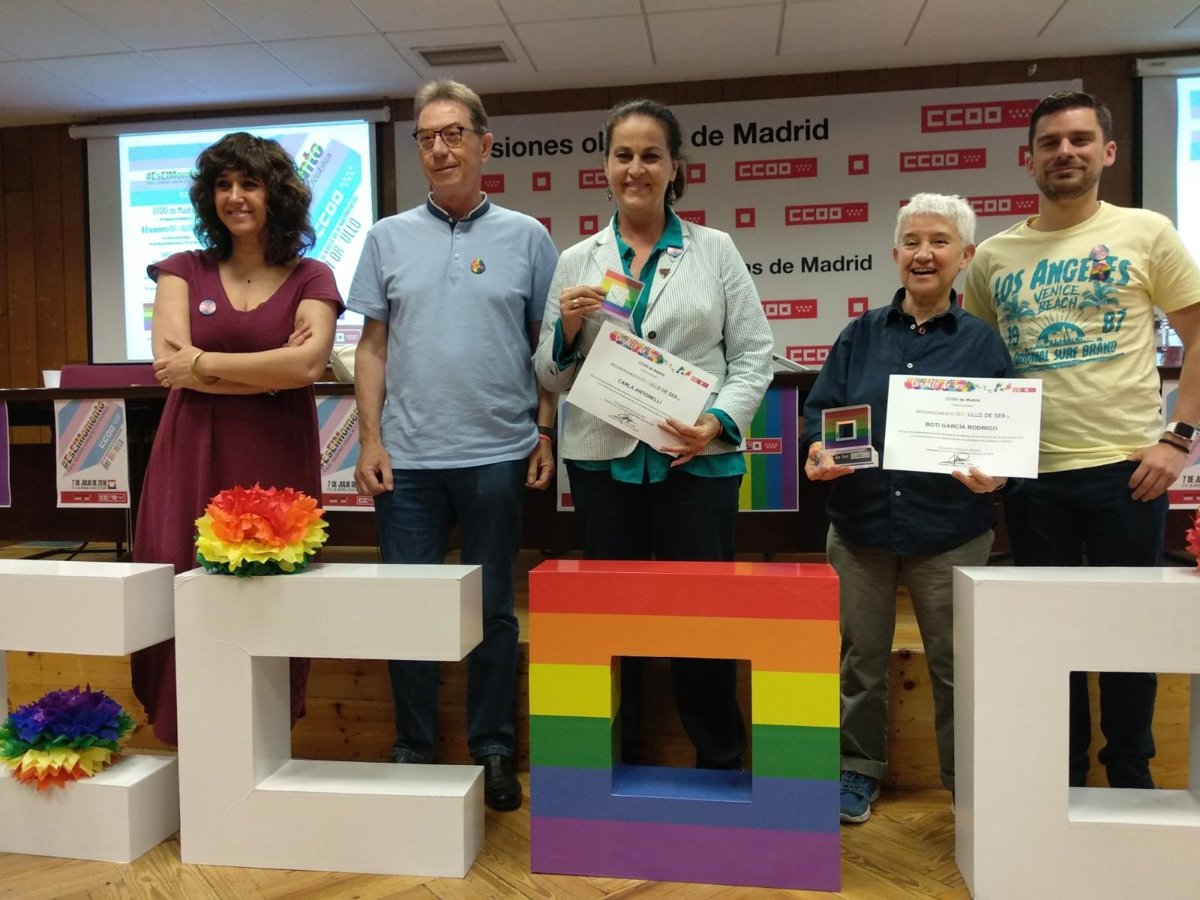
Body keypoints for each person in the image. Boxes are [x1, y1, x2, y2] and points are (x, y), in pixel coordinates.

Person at [963, 90, 1200, 789]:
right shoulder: (994, 257)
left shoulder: (1146, 232)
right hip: (1031, 478)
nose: (1064, 152)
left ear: (1108, 152)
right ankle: (1059, 778)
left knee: (1128, 634)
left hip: (1129, 472)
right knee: (1051, 640)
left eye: (1079, 139)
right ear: (1029, 158)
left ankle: (1128, 773)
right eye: (1050, 142)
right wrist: (983, 456)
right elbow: (977, 366)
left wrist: (1178, 438)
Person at [533, 98, 774, 771]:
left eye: (650, 155)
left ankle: (720, 758)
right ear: (605, 167)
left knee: (704, 617)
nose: (635, 168)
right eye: (623, 155)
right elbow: (549, 375)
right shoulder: (577, 260)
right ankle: (619, 755)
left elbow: (754, 354)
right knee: (614, 617)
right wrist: (568, 330)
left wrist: (717, 423)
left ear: (675, 167)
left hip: (698, 465)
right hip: (603, 467)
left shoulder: (715, 250)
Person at [348, 79, 557, 812]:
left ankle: (493, 748)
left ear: (484, 144)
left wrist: (544, 430)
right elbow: (371, 348)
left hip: (499, 452)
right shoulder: (386, 237)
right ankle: (414, 746)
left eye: (453, 134)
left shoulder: (528, 238)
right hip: (407, 461)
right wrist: (369, 439)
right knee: (408, 609)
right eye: (426, 137)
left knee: (492, 607)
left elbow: (549, 349)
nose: (439, 148)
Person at [804, 193, 1014, 823]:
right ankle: (857, 768)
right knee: (860, 662)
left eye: (940, 242)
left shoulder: (983, 345)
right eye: (913, 242)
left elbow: (1006, 438)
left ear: (965, 257)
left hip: (951, 530)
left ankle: (964, 782)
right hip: (861, 527)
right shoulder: (858, 335)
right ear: (896, 254)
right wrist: (817, 449)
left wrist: (998, 477)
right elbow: (820, 412)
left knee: (955, 665)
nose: (925, 254)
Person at [132, 132, 344, 746]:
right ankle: (187, 736)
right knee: (181, 579)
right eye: (222, 185)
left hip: (278, 457)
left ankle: (263, 737)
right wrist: (267, 371)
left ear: (277, 194)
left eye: (249, 183)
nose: (235, 196)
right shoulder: (181, 269)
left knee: (272, 590)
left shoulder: (312, 275)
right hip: (193, 450)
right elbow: (170, 367)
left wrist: (205, 364)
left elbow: (308, 366)